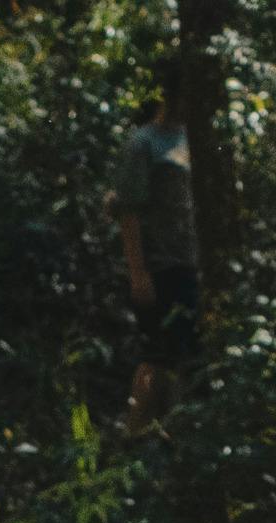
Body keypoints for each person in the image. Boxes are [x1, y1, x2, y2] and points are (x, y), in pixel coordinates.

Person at [111, 62, 200, 437]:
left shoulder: (193, 139)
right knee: (157, 355)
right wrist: (138, 273)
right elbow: (127, 212)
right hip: (160, 265)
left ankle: (167, 443)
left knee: (183, 358)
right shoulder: (143, 143)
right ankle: (131, 438)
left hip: (191, 263)